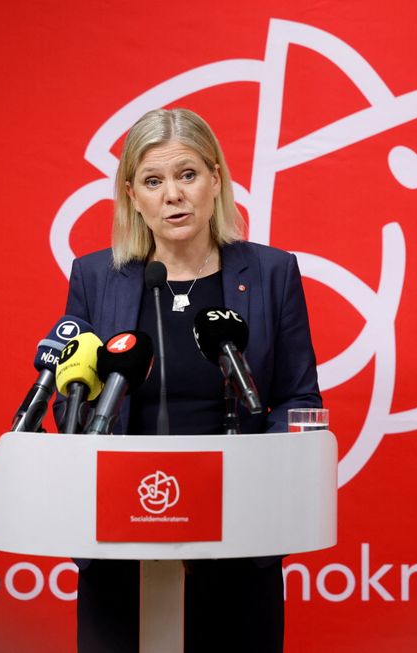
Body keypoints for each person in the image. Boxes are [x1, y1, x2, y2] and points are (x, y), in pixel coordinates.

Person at [57, 108, 322, 652]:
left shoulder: (271, 273)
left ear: (216, 180)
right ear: (132, 195)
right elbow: (72, 397)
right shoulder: (95, 277)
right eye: (154, 181)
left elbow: (300, 397)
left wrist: (258, 474)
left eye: (187, 175)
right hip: (120, 534)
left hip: (239, 534)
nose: (173, 195)